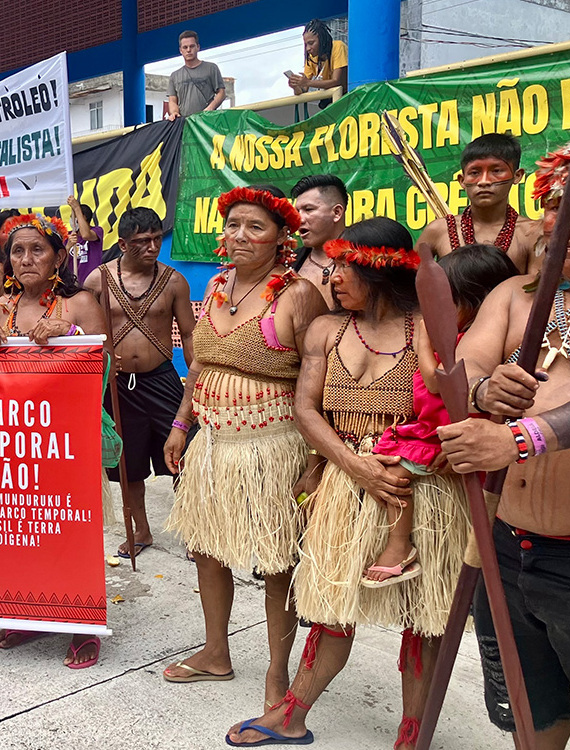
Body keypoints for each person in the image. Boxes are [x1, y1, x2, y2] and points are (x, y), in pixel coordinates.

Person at [226, 218, 468, 749]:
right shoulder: (326, 329)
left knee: (424, 619)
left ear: (377, 270)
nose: (332, 277)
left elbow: (454, 405)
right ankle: (292, 714)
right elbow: (306, 410)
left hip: (420, 488)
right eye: (332, 265)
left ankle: (413, 733)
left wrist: (404, 465)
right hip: (345, 482)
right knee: (331, 605)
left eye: (344, 266)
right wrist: (353, 466)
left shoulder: (426, 328)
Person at [440, 138, 570, 750]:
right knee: (529, 704)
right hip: (506, 543)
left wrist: (523, 436)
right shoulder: (515, 295)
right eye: (561, 207)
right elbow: (464, 360)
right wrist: (484, 391)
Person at [161, 187, 327, 701]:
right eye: (233, 224)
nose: (240, 236)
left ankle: (278, 673)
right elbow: (202, 364)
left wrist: (319, 459)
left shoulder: (298, 295)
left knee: (277, 561)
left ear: (282, 237)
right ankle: (216, 653)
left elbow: (322, 378)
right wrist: (181, 424)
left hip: (274, 447)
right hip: (212, 442)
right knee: (206, 549)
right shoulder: (213, 287)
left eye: (255, 226)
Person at [0, 212, 110, 669]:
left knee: (73, 533)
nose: (27, 259)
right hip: (16, 444)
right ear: (7, 260)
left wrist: (69, 334)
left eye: (38, 250)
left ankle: (83, 625)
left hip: (66, 441)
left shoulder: (81, 303)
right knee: (23, 534)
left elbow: (104, 365)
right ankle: (30, 611)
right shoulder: (1, 309)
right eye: (17, 251)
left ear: (57, 257)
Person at [363, 244, 517, 586]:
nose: (434, 311)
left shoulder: (469, 342)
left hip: (450, 433)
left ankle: (399, 546)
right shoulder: (449, 333)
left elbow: (436, 383)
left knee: (396, 470)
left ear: (477, 304)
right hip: (430, 427)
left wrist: (421, 342)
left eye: (446, 302)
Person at [82, 206, 195, 559]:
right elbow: (86, 334)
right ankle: (140, 530)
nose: (151, 247)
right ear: (122, 243)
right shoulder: (97, 281)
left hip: (162, 381)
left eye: (156, 239)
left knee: (185, 458)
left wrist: (198, 389)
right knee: (127, 464)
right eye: (141, 242)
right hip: (118, 387)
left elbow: (190, 335)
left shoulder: (174, 281)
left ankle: (194, 532)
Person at [416, 133, 540, 274]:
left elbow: (538, 293)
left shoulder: (531, 234)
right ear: (462, 180)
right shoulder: (438, 230)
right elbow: (409, 287)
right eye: (475, 173)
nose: (484, 181)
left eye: (496, 171)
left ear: (517, 176)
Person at [291, 174, 348, 309]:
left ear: (337, 213)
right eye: (297, 211)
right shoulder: (289, 264)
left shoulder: (364, 258)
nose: (299, 219)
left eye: (308, 210)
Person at [167, 30, 226, 118]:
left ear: (198, 47)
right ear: (180, 50)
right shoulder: (174, 76)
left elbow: (221, 93)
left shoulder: (211, 68)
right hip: (185, 123)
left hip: (207, 120)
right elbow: (172, 100)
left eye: (192, 46)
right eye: (185, 47)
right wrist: (174, 112)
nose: (188, 50)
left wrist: (210, 108)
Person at [288, 18, 348, 106]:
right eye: (306, 44)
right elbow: (303, 90)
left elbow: (336, 81)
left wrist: (307, 82)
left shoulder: (338, 46)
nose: (308, 48)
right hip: (329, 100)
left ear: (322, 39)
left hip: (347, 97)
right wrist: (296, 86)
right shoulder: (311, 58)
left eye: (311, 43)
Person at [65, 197, 104, 284]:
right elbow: (61, 262)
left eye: (73, 217)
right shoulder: (67, 236)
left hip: (92, 283)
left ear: (83, 217)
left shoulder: (97, 231)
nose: (71, 221)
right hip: (73, 284)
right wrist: (68, 246)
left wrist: (77, 208)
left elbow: (86, 235)